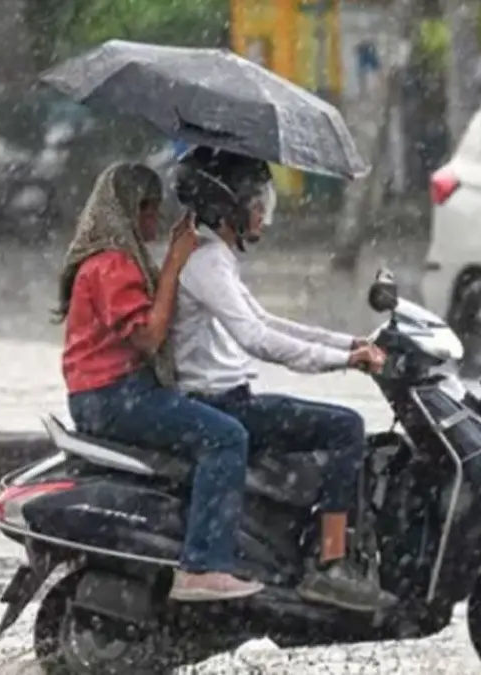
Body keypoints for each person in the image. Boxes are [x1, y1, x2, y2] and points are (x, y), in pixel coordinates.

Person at [169, 146, 396, 612]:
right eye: (257, 203)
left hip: (227, 399)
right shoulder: (207, 264)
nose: (264, 216)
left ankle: (308, 547)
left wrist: (348, 343)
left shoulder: (215, 258)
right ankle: (330, 565)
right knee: (344, 427)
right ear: (228, 206)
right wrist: (344, 362)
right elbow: (258, 339)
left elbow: (271, 323)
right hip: (222, 405)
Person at [59, 161, 261, 602]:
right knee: (225, 438)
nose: (156, 221)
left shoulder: (118, 260)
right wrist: (173, 262)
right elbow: (150, 338)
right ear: (129, 212)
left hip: (113, 393)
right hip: (113, 397)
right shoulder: (112, 265)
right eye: (149, 211)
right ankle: (203, 566)